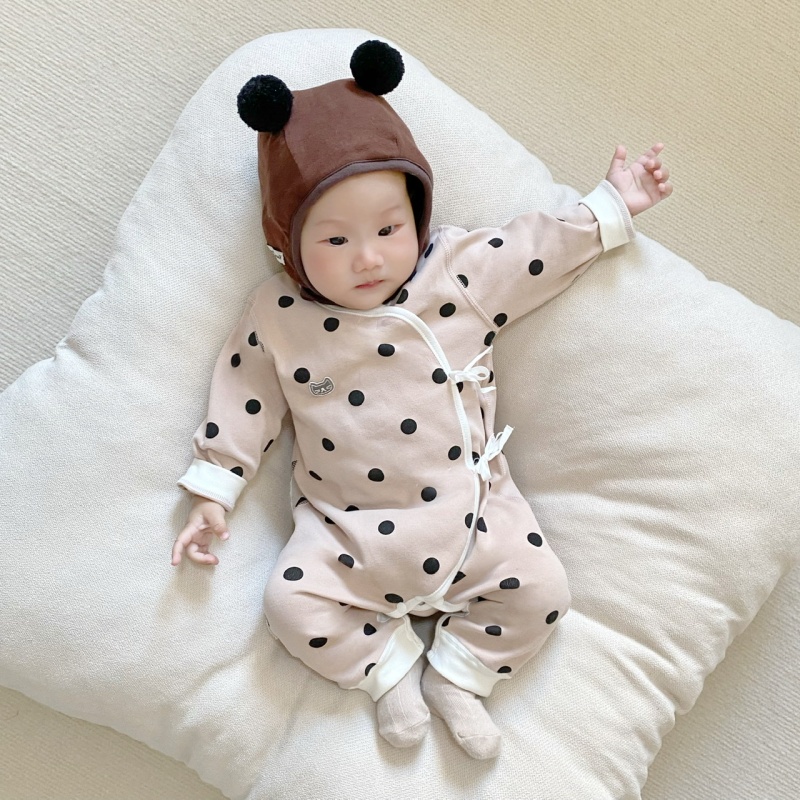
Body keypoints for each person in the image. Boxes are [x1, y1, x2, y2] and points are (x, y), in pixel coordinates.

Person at [171, 40, 672, 759]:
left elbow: (534, 252)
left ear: (418, 216)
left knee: (541, 591)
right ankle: (390, 674)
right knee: (288, 604)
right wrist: (214, 489)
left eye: (388, 229)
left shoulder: (454, 275)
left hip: (474, 517)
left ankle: (460, 677)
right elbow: (242, 397)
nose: (368, 257)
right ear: (288, 243)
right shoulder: (279, 315)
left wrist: (611, 207)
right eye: (335, 240)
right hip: (347, 535)